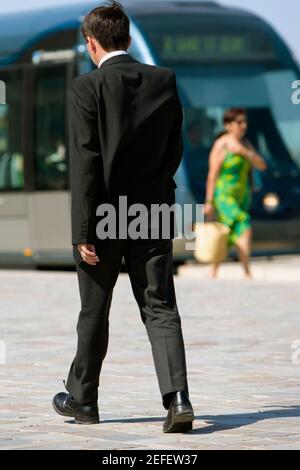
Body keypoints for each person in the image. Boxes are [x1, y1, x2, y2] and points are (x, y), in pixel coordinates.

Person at [52, 2, 194, 433]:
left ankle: (83, 400)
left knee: (94, 310)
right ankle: (179, 399)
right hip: (152, 213)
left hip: (103, 218)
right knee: (160, 306)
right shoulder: (164, 81)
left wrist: (82, 231)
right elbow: (174, 152)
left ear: (92, 43)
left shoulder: (86, 88)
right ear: (128, 39)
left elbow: (86, 162)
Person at [204, 108, 267, 279]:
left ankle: (213, 270)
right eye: (239, 122)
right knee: (243, 224)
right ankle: (247, 271)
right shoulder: (221, 145)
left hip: (242, 195)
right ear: (227, 125)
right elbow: (212, 175)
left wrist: (245, 153)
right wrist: (209, 201)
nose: (244, 125)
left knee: (228, 232)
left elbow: (262, 165)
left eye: (245, 122)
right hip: (224, 195)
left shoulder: (246, 144)